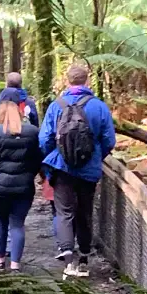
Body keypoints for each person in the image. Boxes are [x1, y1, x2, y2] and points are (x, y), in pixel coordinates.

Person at [39, 64, 116, 279]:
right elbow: (109, 140)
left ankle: (68, 262)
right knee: (84, 212)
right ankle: (83, 261)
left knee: (64, 212)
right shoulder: (99, 107)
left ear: (67, 81)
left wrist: (51, 160)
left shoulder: (56, 106)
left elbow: (44, 138)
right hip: (88, 170)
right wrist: (95, 158)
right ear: (87, 81)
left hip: (62, 168)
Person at [0, 98, 42, 272]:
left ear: (1, 115)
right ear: (21, 113)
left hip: (0, 186)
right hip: (24, 186)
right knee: (17, 224)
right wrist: (31, 174)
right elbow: (39, 156)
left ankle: (0, 262)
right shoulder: (33, 132)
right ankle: (15, 264)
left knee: (0, 222)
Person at [0, 76, 37, 242]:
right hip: (22, 175)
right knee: (16, 220)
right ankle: (13, 254)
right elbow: (36, 145)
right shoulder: (28, 109)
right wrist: (30, 171)